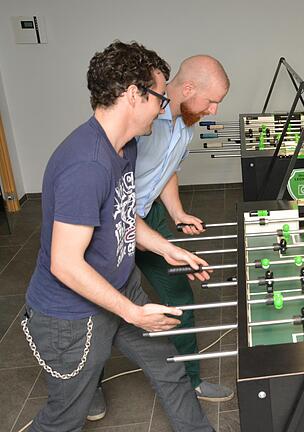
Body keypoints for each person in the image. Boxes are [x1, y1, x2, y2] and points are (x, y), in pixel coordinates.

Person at [23, 41, 214, 431]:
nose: (163, 108)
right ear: (133, 94)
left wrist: (166, 248)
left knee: (169, 369)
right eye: (159, 98)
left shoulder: (123, 148)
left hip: (121, 289)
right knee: (63, 420)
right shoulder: (87, 163)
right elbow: (65, 262)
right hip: (72, 316)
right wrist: (132, 312)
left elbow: (123, 215)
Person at [123, 55, 232, 407]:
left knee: (179, 297)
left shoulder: (186, 121)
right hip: (110, 223)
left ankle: (192, 380)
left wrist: (177, 211)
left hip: (148, 216)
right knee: (97, 310)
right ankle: (87, 386)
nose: (213, 110)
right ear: (187, 88)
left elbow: (168, 170)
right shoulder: (143, 121)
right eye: (211, 100)